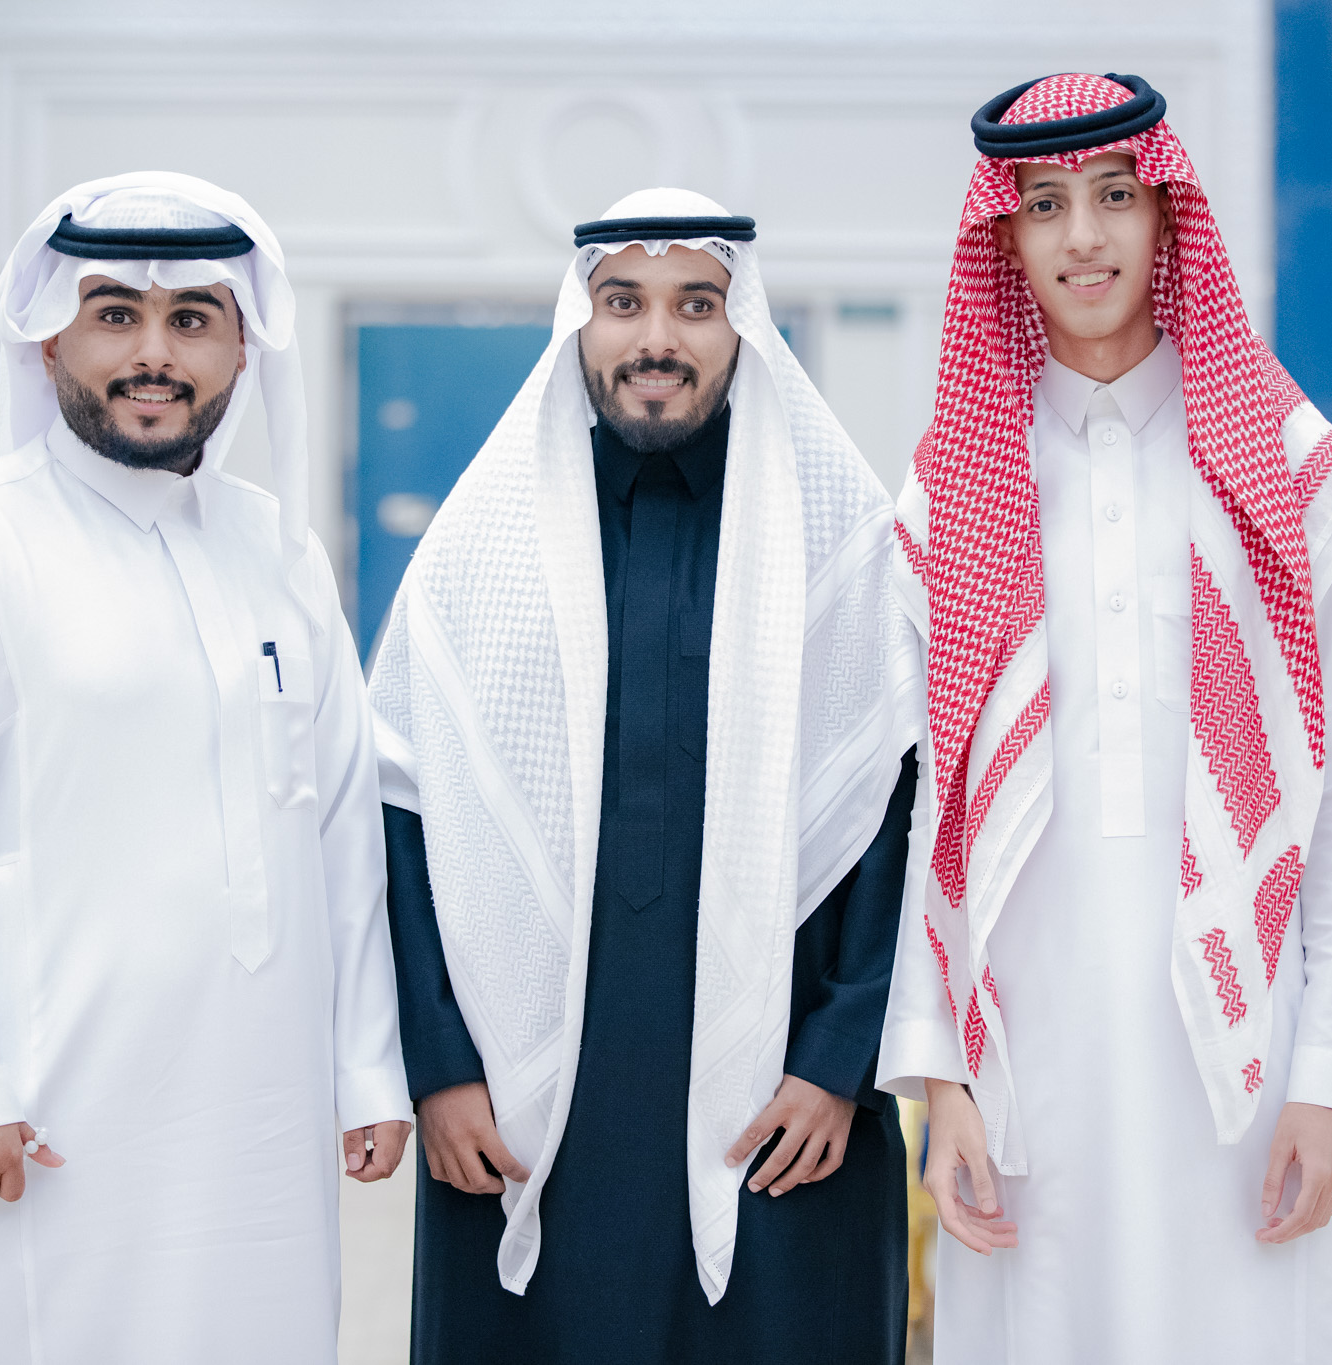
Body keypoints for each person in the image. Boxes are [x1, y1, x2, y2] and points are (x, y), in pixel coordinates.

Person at [0, 173, 410, 1363]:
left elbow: (341, 831)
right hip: (34, 1101)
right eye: (114, 315)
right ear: (47, 341)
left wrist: (364, 1067)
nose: (153, 354)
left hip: (251, 1108)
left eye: (191, 319)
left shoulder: (278, 553)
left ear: (241, 349)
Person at [878, 74, 1332, 1362]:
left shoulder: (1291, 480)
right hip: (1028, 1067)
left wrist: (1329, 1081)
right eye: (1043, 205)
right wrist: (940, 1080)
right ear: (1003, 238)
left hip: (1246, 1066)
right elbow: (926, 822)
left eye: (1114, 195)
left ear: (1166, 215)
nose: (1082, 237)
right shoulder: (949, 500)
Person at [367, 189, 922, 1363]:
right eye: (622, 303)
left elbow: (896, 813)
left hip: (782, 1103)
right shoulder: (476, 554)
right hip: (525, 1104)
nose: (655, 337)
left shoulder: (840, 547)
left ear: (743, 325)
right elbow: (404, 818)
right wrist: (443, 1069)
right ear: (580, 323)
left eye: (695, 305)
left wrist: (836, 1063)